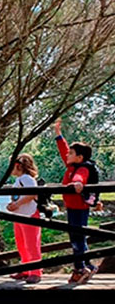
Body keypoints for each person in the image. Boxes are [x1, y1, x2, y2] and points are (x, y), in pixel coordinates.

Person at [55, 118, 98, 284]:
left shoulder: (82, 168)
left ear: (79, 157)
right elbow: (63, 150)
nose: (67, 155)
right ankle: (88, 265)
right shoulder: (72, 166)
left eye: (71, 154)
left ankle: (80, 269)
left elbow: (81, 177)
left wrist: (78, 183)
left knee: (77, 238)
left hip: (79, 207)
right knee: (77, 237)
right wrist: (59, 135)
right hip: (73, 207)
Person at [6, 154, 42, 284]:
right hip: (20, 215)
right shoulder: (19, 180)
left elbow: (32, 193)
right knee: (22, 245)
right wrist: (12, 205)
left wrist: (17, 204)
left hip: (29, 215)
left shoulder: (27, 178)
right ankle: (25, 268)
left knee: (31, 245)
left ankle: (35, 272)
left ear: (18, 165)